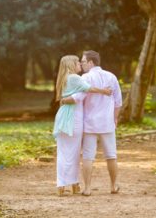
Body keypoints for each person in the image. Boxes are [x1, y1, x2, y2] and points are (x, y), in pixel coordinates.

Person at [51, 55, 113, 196]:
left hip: (64, 116)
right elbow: (88, 89)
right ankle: (71, 183)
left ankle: (64, 184)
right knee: (73, 153)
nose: (80, 64)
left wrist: (67, 99)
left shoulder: (64, 78)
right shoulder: (74, 78)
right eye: (78, 62)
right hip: (73, 118)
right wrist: (105, 91)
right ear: (71, 64)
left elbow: (76, 95)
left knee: (64, 152)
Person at [79, 50, 123, 196]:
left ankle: (87, 188)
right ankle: (113, 185)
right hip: (107, 121)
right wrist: (115, 118)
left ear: (91, 62)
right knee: (111, 155)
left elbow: (80, 98)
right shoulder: (111, 76)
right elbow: (118, 102)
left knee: (88, 156)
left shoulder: (85, 77)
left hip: (89, 122)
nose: (82, 64)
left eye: (83, 61)